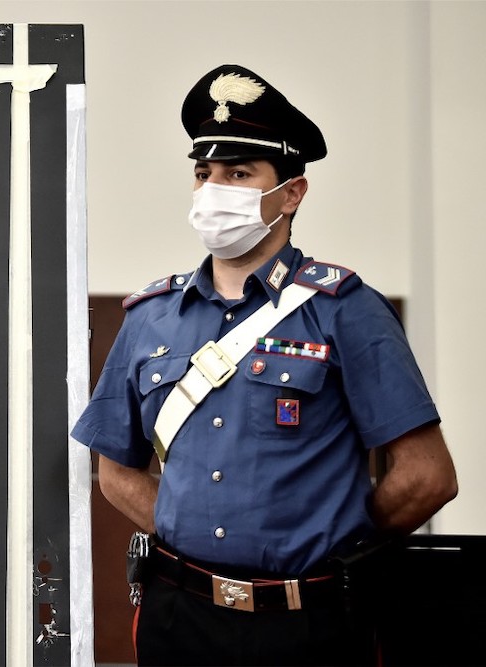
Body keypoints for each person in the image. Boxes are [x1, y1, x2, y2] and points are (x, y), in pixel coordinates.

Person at [71, 64, 458, 666]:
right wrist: (193, 536)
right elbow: (115, 472)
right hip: (180, 618)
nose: (214, 191)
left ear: (293, 192)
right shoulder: (150, 317)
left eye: (240, 174)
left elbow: (428, 476)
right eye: (204, 174)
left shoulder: (346, 311)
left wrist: (330, 540)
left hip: (310, 625)